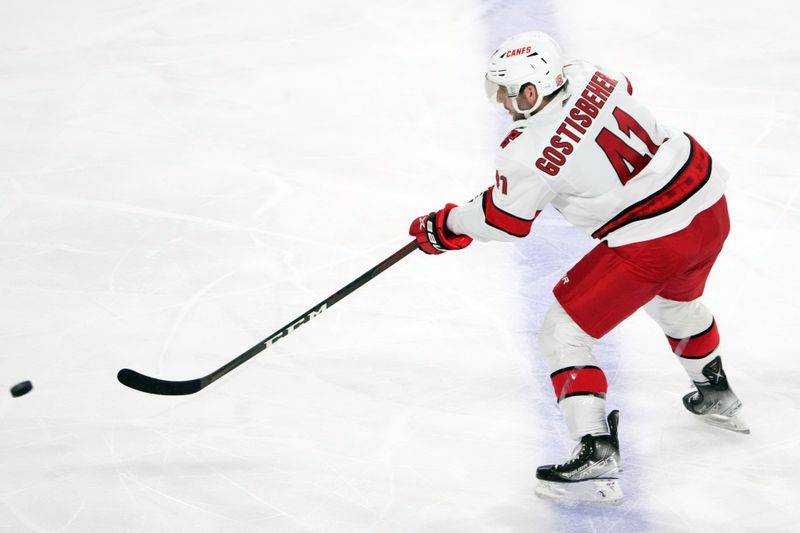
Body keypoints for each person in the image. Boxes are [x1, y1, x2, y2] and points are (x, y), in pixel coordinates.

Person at [409, 31, 748, 505]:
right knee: (675, 299)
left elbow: (504, 221)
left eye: (507, 91)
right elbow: (621, 91)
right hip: (709, 206)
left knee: (562, 334)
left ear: (531, 91)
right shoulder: (590, 74)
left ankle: (594, 447)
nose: (502, 101)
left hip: (654, 239)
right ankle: (715, 391)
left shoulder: (525, 152)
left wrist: (444, 225)